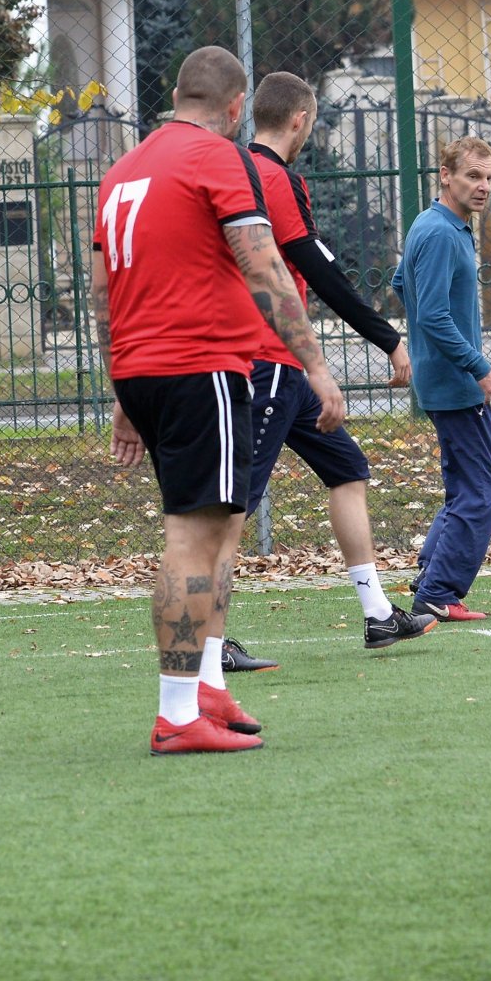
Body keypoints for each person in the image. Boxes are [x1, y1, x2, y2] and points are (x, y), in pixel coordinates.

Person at [93, 47, 346, 755]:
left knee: (219, 524)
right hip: (199, 364)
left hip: (148, 370)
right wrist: (316, 366)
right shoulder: (216, 158)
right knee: (195, 536)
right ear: (237, 109)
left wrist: (121, 390)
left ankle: (205, 685)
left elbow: (103, 291)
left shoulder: (121, 173)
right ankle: (177, 714)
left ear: (176, 95)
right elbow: (261, 260)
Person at [220, 72, 435, 667]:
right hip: (265, 365)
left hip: (289, 368)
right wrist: (389, 339)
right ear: (301, 119)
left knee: (347, 469)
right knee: (233, 504)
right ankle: (209, 640)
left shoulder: (243, 169)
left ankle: (377, 614)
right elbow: (321, 272)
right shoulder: (271, 178)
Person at [394, 136, 491, 623]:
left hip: (445, 381)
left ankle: (430, 575)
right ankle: (439, 590)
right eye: (472, 176)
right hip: (456, 385)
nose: (483, 186)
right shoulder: (442, 233)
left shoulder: (441, 223)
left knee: (468, 485)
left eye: (488, 177)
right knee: (485, 483)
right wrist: (479, 368)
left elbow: (402, 283)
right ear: (445, 175)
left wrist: (425, 350)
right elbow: (436, 316)